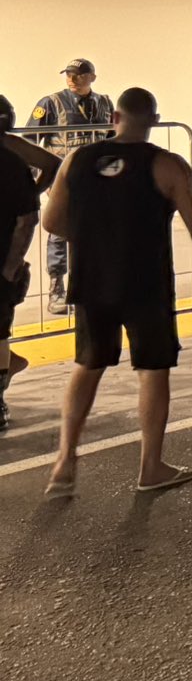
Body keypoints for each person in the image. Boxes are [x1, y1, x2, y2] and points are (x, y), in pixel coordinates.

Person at [41, 87, 192, 499]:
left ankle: (65, 460)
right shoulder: (166, 164)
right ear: (154, 121)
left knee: (88, 364)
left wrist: (94, 239)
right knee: (153, 369)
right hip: (146, 283)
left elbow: (51, 222)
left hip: (91, 280)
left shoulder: (76, 160)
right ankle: (150, 467)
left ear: (114, 118)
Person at [29, 58, 116, 313]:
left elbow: (112, 141)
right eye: (69, 74)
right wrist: (37, 182)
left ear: (92, 77)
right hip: (63, 182)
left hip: (97, 183)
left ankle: (93, 287)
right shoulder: (50, 103)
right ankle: (57, 290)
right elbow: (31, 142)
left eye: (78, 74)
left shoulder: (104, 103)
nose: (72, 79)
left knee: (97, 234)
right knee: (59, 233)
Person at [0, 97, 53, 431]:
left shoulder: (11, 153)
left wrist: (29, 194)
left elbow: (27, 220)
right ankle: (9, 363)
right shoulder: (12, 151)